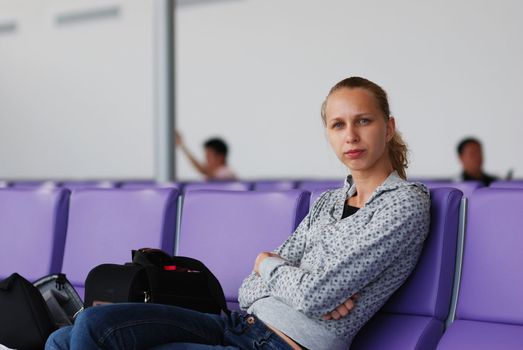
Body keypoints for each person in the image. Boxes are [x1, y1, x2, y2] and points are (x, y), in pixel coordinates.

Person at [45, 77, 430, 350]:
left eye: (364, 120)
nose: (351, 135)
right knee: (70, 333)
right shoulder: (330, 202)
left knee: (92, 334)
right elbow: (250, 290)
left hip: (283, 345)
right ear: (328, 134)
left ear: (389, 127)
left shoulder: (404, 203)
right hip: (240, 324)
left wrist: (272, 266)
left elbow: (314, 294)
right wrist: (280, 274)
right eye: (338, 124)